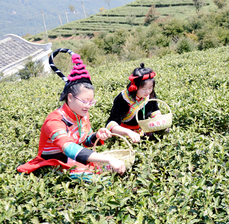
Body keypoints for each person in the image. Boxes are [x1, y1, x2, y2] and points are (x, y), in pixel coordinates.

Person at [17, 49, 126, 179]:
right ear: (70, 97)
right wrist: (107, 158)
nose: (88, 105)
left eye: (91, 101)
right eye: (85, 101)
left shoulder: (83, 115)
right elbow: (69, 148)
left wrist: (97, 136)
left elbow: (84, 141)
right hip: (52, 164)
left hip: (73, 160)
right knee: (99, 180)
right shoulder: (55, 121)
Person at [106, 63, 161, 140]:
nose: (148, 91)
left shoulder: (149, 94)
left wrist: (158, 118)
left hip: (144, 129)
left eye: (150, 88)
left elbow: (155, 110)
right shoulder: (122, 99)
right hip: (125, 133)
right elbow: (110, 124)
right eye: (144, 88)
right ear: (135, 87)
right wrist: (128, 132)